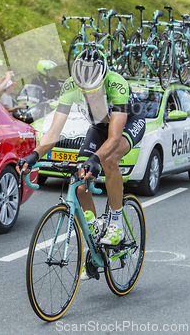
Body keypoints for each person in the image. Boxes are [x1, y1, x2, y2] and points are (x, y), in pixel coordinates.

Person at [16, 49, 146, 246]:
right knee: (80, 180)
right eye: (83, 90)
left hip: (128, 123)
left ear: (102, 81)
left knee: (109, 160)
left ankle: (116, 223)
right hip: (99, 126)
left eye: (92, 89)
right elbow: (53, 132)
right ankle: (93, 235)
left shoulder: (117, 85)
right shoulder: (70, 87)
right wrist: (33, 156)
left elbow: (114, 137)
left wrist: (96, 158)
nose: (87, 94)